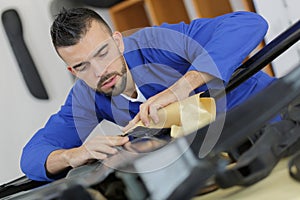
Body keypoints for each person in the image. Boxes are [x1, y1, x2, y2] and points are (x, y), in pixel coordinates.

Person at [20, 7, 275, 182]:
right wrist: (76, 154)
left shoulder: (157, 44)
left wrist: (182, 87)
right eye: (82, 66)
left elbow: (247, 23)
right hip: (225, 160)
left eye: (102, 53)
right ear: (72, 70)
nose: (99, 72)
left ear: (118, 42)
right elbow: (32, 156)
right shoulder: (86, 95)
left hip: (271, 117)